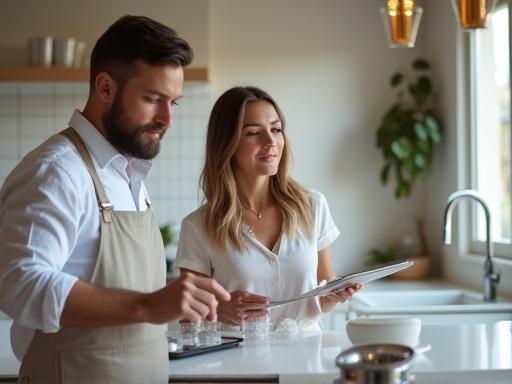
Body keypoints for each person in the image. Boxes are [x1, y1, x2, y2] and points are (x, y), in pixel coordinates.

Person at [0, 15, 230, 383]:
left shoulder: (128, 174)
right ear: (105, 87)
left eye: (174, 102)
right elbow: (19, 283)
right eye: (153, 99)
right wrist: (146, 305)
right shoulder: (56, 171)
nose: (167, 119)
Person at [174, 86, 361, 331]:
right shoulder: (198, 226)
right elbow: (188, 317)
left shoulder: (313, 206)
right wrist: (219, 310)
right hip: (236, 365)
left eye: (276, 129)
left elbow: (320, 300)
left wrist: (334, 295)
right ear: (227, 143)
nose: (270, 141)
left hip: (306, 361)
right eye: (253, 133)